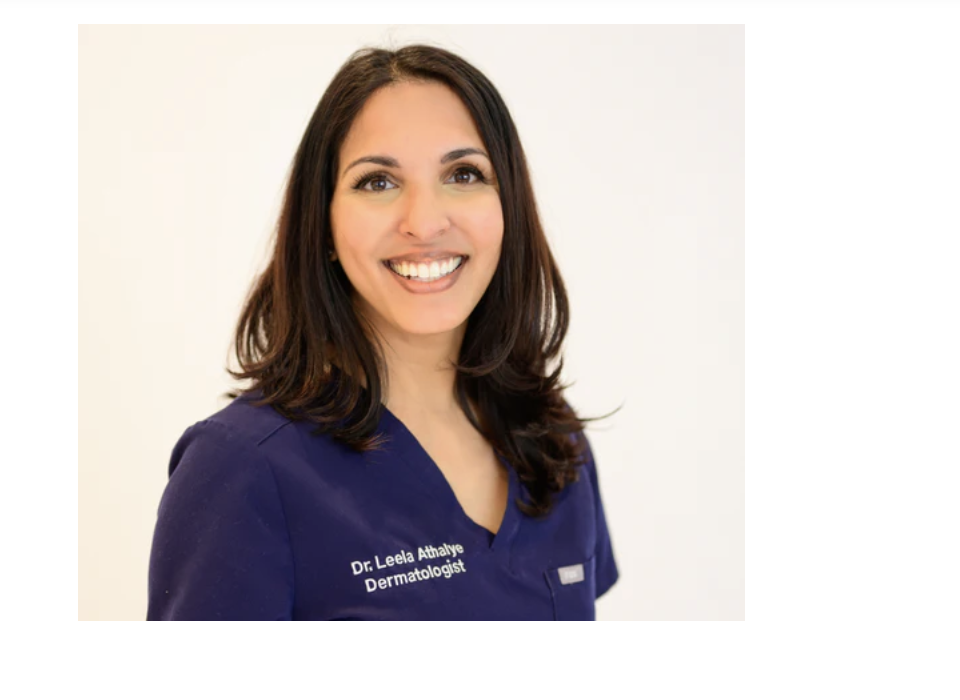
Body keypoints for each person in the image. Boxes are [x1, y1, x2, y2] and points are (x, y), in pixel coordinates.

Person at [147, 45, 617, 620]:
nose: (424, 222)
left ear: (508, 209)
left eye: (463, 174)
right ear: (322, 222)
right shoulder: (241, 471)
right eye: (377, 182)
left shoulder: (553, 443)